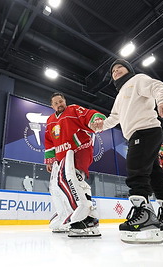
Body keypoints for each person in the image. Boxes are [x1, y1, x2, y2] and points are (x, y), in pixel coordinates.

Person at [91, 59, 163, 244]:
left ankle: (143, 214)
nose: (116, 71)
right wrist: (101, 125)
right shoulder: (120, 96)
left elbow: (157, 86)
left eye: (120, 67)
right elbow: (114, 118)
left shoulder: (138, 80)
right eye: (113, 71)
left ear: (129, 70)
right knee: (154, 174)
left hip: (145, 130)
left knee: (136, 169)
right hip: (140, 133)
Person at [44, 92, 106, 237]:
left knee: (76, 181)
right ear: (52, 106)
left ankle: (87, 217)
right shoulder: (50, 120)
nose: (60, 104)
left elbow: (89, 114)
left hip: (79, 151)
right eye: (56, 103)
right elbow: (49, 141)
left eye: (61, 101)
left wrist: (97, 118)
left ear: (65, 101)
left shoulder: (73, 110)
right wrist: (50, 159)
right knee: (58, 186)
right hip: (62, 157)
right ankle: (69, 214)